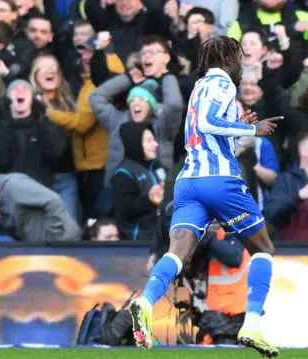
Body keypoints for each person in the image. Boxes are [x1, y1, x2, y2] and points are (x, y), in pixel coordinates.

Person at [129, 36, 282, 358]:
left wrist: (238, 126)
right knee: (263, 249)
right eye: (239, 58)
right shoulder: (224, 83)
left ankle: (145, 301)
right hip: (219, 180)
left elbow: (203, 130)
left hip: (188, 180)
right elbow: (208, 123)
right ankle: (252, 324)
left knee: (178, 252)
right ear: (228, 58)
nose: (241, 66)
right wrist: (251, 131)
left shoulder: (199, 86)